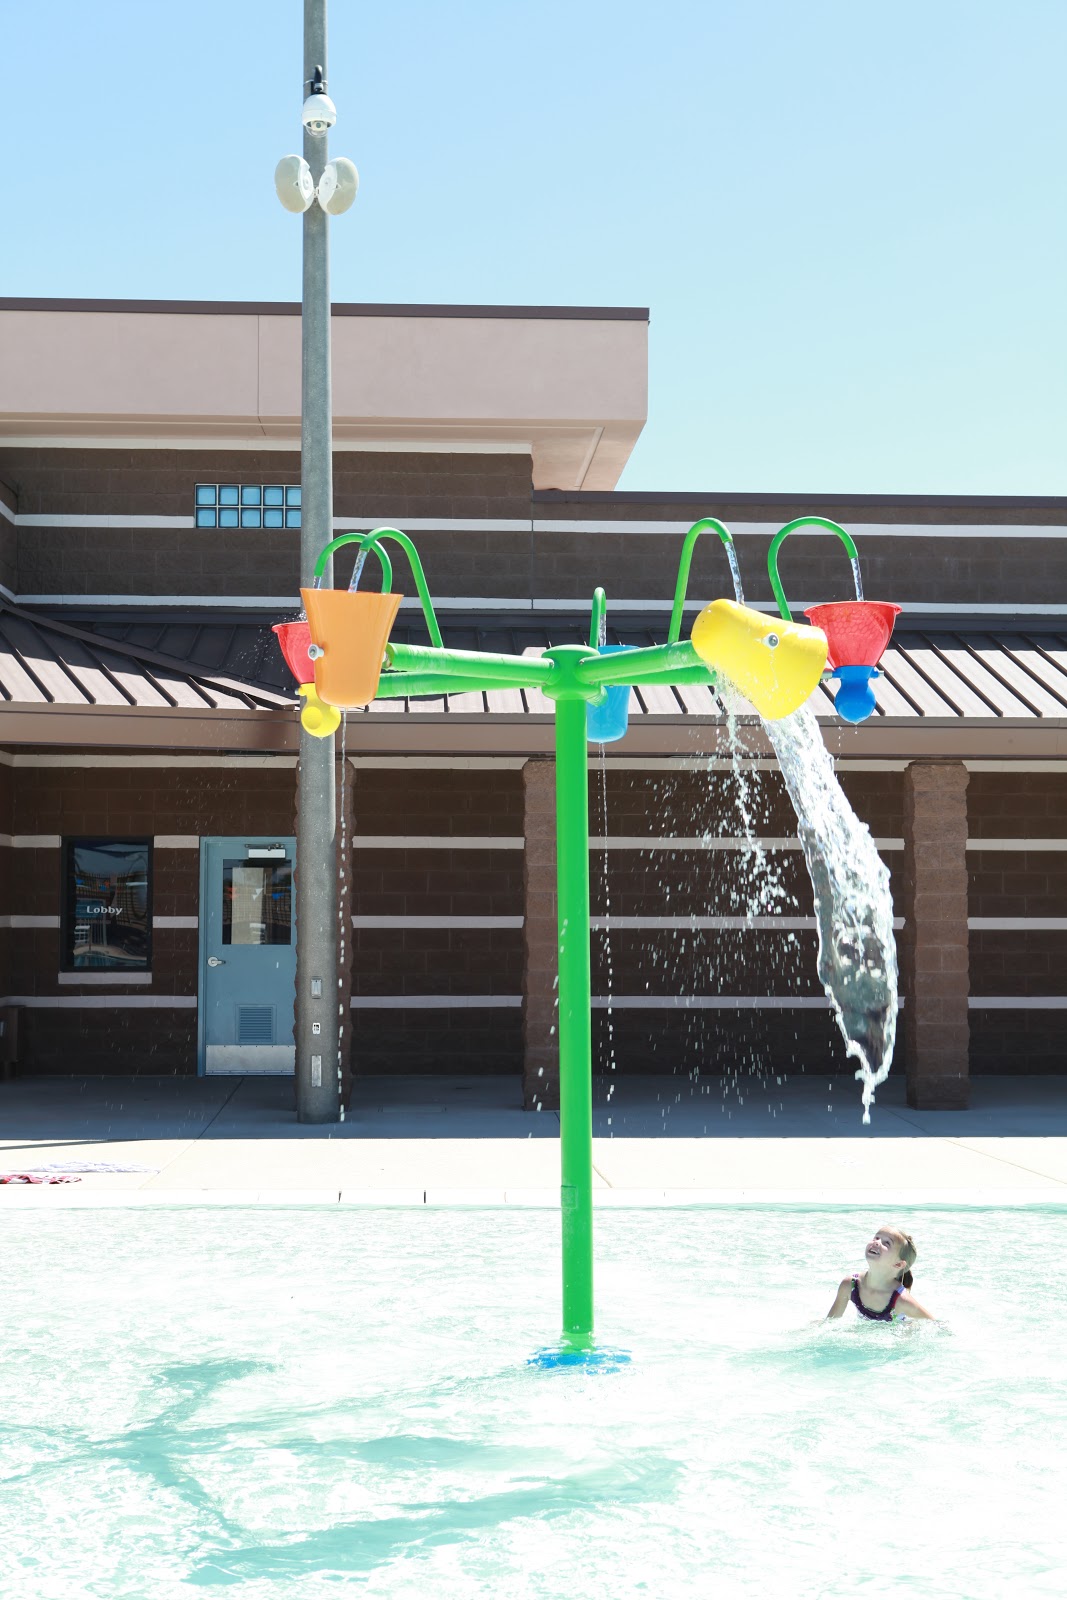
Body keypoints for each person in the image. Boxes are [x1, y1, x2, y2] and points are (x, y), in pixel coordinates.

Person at [825, 1224, 936, 1323]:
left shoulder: (901, 1300)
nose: (877, 1242)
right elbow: (830, 1323)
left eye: (887, 1243)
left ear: (898, 1264)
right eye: (876, 1238)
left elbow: (934, 1324)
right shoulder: (850, 1285)